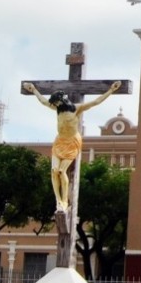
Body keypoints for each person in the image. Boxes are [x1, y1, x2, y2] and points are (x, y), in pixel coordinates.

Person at [25, 81, 121, 211]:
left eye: (57, 102)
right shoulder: (57, 109)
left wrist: (110, 90)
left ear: (62, 101)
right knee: (54, 171)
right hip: (59, 142)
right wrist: (34, 90)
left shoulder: (77, 108)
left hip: (72, 143)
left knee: (61, 171)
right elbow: (43, 101)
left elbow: (96, 102)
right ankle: (58, 201)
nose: (55, 105)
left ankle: (64, 201)